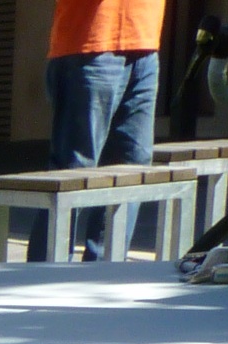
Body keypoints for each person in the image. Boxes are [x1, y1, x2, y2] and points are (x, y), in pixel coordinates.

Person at [30, 0, 166, 260]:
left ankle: (104, 271)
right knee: (74, 171)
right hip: (90, 43)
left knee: (131, 168)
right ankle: (42, 273)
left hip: (145, 43)